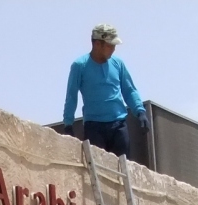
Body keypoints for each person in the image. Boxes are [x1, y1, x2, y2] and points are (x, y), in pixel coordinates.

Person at [62, 24, 149, 159]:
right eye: (110, 45)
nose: (113, 49)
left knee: (123, 167)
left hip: (119, 125)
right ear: (97, 44)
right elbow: (71, 96)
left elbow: (129, 90)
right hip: (94, 127)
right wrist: (68, 124)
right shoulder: (80, 66)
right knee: (98, 168)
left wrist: (140, 111)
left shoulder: (118, 63)